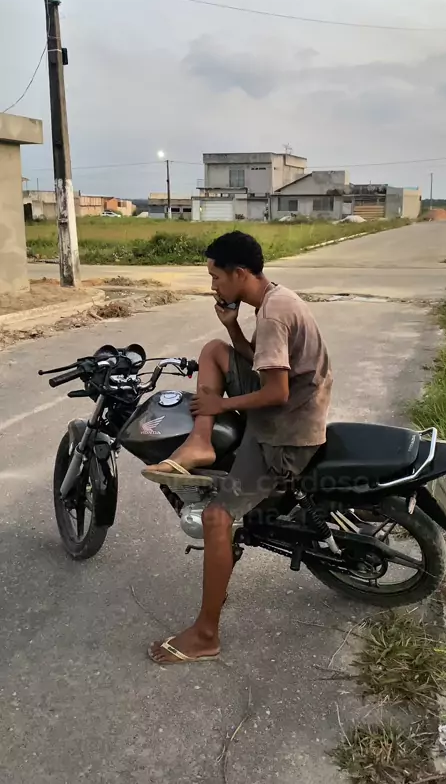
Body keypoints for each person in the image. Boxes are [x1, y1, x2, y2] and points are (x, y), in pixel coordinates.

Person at [143, 230, 332, 665]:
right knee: (215, 349)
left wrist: (220, 404)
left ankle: (206, 634)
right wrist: (230, 325)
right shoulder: (274, 298)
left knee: (216, 517)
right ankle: (201, 443)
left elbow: (277, 392)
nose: (213, 285)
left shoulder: (273, 314)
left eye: (216, 277)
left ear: (240, 273)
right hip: (289, 410)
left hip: (285, 431)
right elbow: (262, 362)